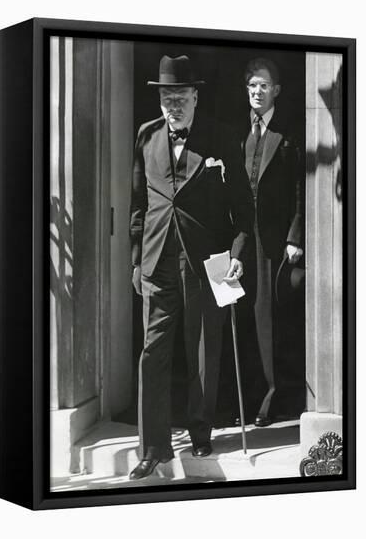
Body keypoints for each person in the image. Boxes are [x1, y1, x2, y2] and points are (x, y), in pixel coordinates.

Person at [129, 55, 253, 479]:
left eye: (181, 96)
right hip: (156, 260)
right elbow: (139, 207)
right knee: (153, 354)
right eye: (167, 97)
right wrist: (135, 261)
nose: (173, 105)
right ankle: (153, 447)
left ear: (196, 97)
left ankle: (201, 431)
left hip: (207, 261)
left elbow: (243, 209)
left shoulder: (222, 138)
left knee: (204, 353)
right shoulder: (146, 138)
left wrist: (237, 253)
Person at [237, 57, 305, 427]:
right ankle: (246, 401)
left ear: (275, 90)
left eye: (263, 85)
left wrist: (296, 237)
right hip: (244, 241)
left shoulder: (289, 132)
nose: (257, 92)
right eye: (252, 86)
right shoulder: (242, 132)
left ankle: (274, 402)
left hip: (276, 243)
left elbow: (301, 189)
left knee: (271, 323)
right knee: (245, 318)